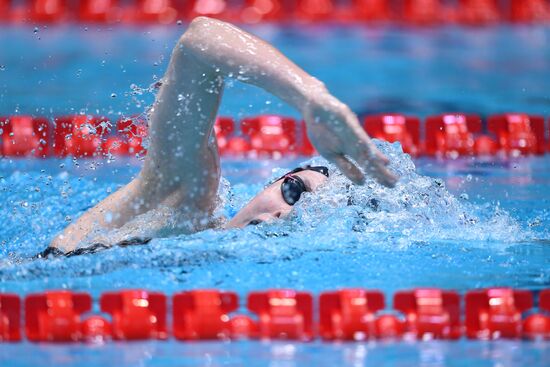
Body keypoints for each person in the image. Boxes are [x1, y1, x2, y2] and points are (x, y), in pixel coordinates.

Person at [43, 16, 397, 257]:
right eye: (294, 192)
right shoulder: (185, 206)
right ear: (269, 184)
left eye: (312, 217)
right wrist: (310, 96)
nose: (284, 215)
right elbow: (200, 40)